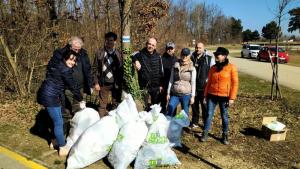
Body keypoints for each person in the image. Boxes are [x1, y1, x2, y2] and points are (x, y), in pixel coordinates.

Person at [37, 51, 85, 156]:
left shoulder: (57, 64)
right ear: (64, 58)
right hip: (50, 97)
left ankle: (54, 141)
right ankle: (62, 147)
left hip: (51, 95)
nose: (72, 62)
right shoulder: (65, 70)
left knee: (56, 120)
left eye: (74, 60)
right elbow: (73, 87)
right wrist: (81, 99)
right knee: (58, 122)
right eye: (70, 59)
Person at [200, 47, 239, 145]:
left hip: (224, 96)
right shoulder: (213, 68)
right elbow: (208, 83)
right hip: (211, 95)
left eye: (219, 55)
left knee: (224, 116)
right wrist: (205, 95)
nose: (216, 56)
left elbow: (235, 83)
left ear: (224, 56)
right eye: (216, 55)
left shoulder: (231, 67)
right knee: (209, 114)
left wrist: (232, 98)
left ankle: (225, 135)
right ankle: (205, 133)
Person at [49, 36, 92, 115]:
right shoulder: (60, 53)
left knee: (79, 110)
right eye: (75, 49)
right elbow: (53, 69)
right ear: (69, 46)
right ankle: (67, 124)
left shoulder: (84, 54)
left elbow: (88, 69)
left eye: (79, 49)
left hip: (80, 87)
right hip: (66, 88)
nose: (77, 51)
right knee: (66, 110)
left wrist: (90, 84)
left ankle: (77, 125)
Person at [92, 32, 123, 117]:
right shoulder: (100, 53)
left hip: (116, 83)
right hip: (103, 83)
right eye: (107, 40)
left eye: (111, 40)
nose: (109, 42)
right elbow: (94, 69)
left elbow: (122, 69)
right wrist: (96, 82)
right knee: (102, 106)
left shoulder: (119, 54)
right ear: (105, 41)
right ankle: (101, 123)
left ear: (115, 41)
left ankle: (115, 122)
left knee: (116, 104)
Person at [190, 42, 215, 129]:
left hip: (205, 88)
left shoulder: (209, 59)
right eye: (196, 47)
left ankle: (206, 124)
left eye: (200, 48)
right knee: (194, 106)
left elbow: (213, 71)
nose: (198, 49)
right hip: (194, 87)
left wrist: (209, 81)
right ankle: (195, 122)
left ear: (203, 48)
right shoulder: (192, 58)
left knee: (205, 107)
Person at [166, 48, 196, 117]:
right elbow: (171, 80)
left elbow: (193, 82)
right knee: (170, 109)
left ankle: (181, 127)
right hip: (175, 94)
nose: (184, 56)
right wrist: (168, 93)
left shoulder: (192, 68)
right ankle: (169, 126)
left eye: (186, 55)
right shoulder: (175, 65)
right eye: (183, 54)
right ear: (180, 55)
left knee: (184, 114)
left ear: (189, 56)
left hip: (186, 94)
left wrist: (193, 96)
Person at [161, 42, 177, 114]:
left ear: (174, 49)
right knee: (163, 101)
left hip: (173, 84)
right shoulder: (161, 59)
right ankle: (163, 114)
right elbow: (159, 72)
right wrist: (160, 84)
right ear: (166, 49)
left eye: (171, 48)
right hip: (164, 83)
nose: (170, 50)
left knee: (173, 102)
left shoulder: (177, 60)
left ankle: (173, 116)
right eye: (168, 48)